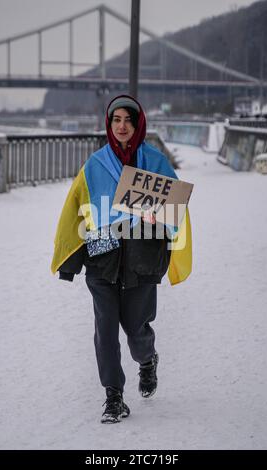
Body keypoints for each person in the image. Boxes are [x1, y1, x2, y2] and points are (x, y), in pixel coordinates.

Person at [51, 95, 192, 424]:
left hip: (142, 259)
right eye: (116, 120)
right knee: (105, 330)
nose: (122, 126)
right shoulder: (94, 165)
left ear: (138, 123)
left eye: (128, 120)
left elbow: (176, 211)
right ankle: (113, 397)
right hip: (101, 258)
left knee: (135, 329)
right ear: (109, 124)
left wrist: (163, 219)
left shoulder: (156, 163)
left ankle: (147, 361)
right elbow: (73, 211)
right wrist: (69, 260)